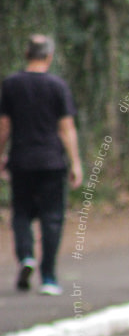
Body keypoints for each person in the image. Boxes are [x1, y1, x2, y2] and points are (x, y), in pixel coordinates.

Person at [0, 34, 83, 295]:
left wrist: (1, 154)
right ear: (49, 56)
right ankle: (48, 277)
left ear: (27, 55)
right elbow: (67, 128)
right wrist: (75, 162)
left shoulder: (11, 84)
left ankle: (26, 257)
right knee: (52, 218)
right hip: (51, 162)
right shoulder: (57, 86)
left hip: (21, 160)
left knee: (21, 213)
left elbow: (4, 126)